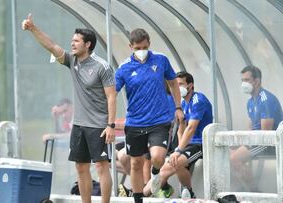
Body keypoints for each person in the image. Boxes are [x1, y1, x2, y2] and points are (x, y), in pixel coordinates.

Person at [22, 14, 116, 203]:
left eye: (76, 41)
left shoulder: (102, 67)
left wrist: (111, 125)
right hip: (79, 126)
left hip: (99, 126)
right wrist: (33, 28)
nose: (72, 44)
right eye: (72, 40)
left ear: (87, 44)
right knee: (81, 168)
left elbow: (111, 96)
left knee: (101, 167)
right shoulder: (71, 61)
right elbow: (51, 45)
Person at [115, 28, 184, 203]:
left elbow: (174, 83)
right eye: (137, 48)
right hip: (135, 122)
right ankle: (138, 199)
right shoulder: (124, 68)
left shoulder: (160, 60)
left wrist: (178, 107)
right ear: (130, 46)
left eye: (144, 46)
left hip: (159, 120)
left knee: (158, 157)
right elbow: (111, 93)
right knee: (136, 163)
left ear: (149, 44)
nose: (141, 51)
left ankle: (155, 174)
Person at [143, 71, 213, 198]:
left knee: (166, 168)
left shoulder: (198, 100)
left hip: (201, 144)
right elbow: (182, 128)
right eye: (176, 84)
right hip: (189, 145)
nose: (177, 86)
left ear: (190, 85)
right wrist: (179, 149)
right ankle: (189, 193)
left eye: (181, 84)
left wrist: (179, 150)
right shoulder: (183, 104)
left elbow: (191, 128)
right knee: (176, 164)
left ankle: (142, 196)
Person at [230, 65, 283, 191]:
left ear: (257, 81)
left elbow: (265, 133)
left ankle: (253, 191)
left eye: (247, 80)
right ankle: (242, 189)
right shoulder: (251, 102)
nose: (243, 83)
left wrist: (245, 144)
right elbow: (251, 129)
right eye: (242, 80)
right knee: (229, 152)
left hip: (269, 143)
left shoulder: (266, 99)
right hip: (257, 140)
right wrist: (240, 143)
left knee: (234, 158)